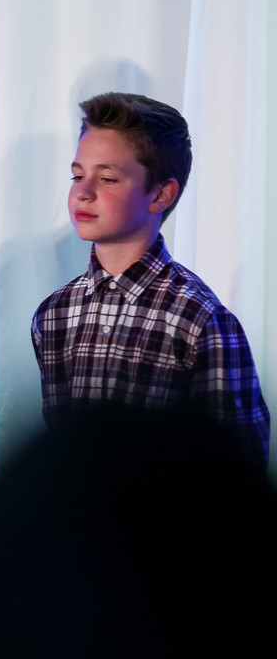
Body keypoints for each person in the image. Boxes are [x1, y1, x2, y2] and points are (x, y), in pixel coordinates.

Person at [31, 92, 269, 466]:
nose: (83, 191)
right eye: (78, 175)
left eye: (107, 178)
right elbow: (58, 444)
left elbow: (240, 465)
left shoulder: (201, 320)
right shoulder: (55, 313)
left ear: (160, 194)